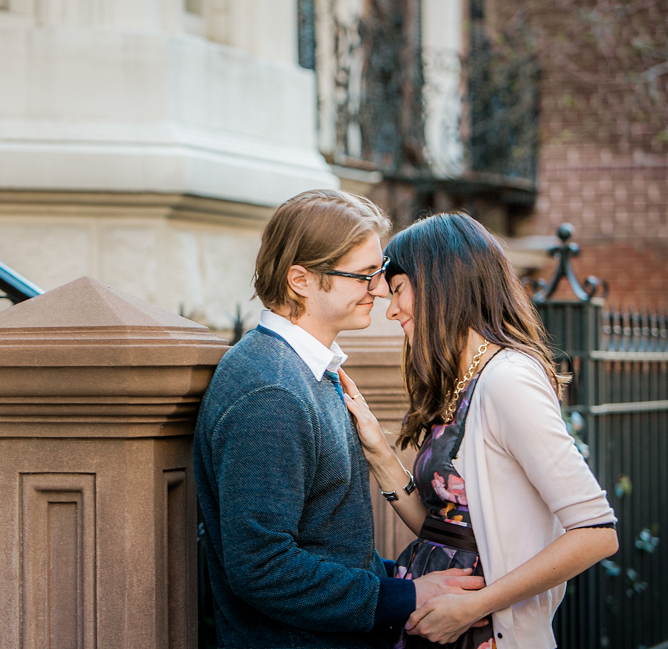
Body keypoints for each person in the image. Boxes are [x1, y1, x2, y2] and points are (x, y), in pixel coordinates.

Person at [193, 191, 486, 649]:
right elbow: (261, 567)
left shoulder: (308, 372)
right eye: (364, 276)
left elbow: (326, 543)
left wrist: (409, 579)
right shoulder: (271, 391)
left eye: (381, 273)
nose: (380, 289)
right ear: (300, 280)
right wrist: (402, 595)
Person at [339, 213, 619, 649]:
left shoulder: (507, 379)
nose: (392, 310)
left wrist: (474, 606)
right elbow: (441, 529)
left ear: (439, 283)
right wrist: (376, 446)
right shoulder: (464, 382)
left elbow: (596, 532)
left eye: (397, 291)